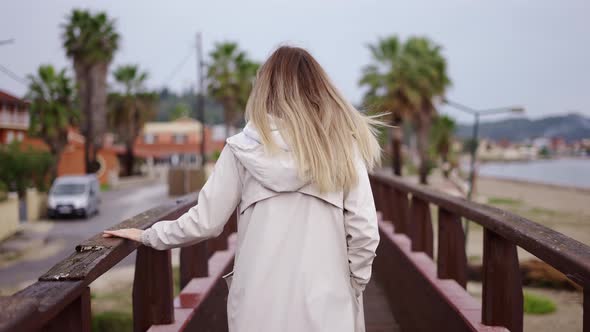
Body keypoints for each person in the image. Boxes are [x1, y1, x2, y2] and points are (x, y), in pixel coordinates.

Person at [103, 45, 383, 332]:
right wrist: (351, 285)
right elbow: (364, 233)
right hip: (327, 306)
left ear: (265, 88)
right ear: (318, 88)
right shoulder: (343, 148)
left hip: (257, 309)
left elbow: (205, 222)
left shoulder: (241, 149)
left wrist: (148, 235)